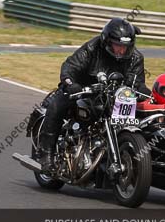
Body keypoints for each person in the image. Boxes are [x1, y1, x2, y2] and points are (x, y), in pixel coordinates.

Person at [36, 18, 150, 172]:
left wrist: (149, 94)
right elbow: (70, 67)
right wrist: (71, 84)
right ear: (107, 41)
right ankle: (46, 155)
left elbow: (138, 84)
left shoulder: (135, 58)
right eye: (118, 46)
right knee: (59, 103)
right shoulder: (91, 49)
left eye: (125, 47)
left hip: (115, 98)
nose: (121, 51)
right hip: (85, 91)